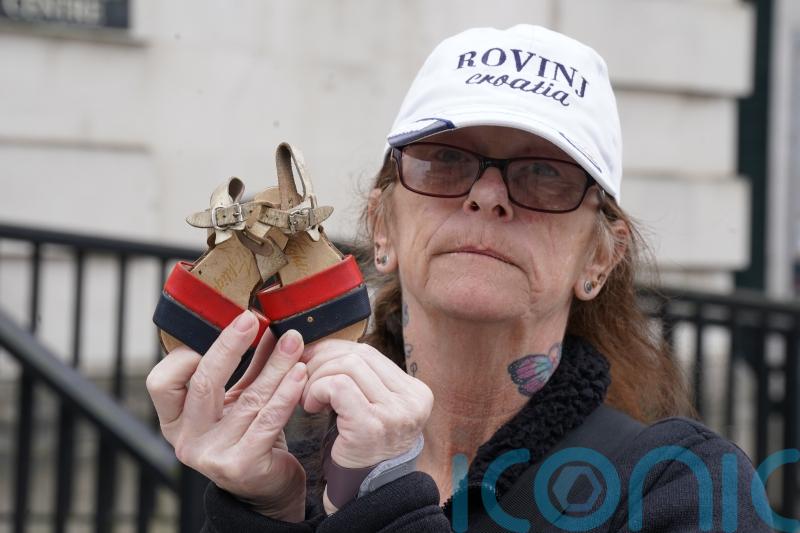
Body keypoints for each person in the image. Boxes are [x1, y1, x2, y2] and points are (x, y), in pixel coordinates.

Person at [146, 25, 774, 532]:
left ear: (600, 260)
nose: (487, 195)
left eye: (544, 174)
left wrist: (383, 498)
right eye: (445, 161)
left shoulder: (679, 486)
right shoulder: (298, 465)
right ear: (382, 228)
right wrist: (264, 512)